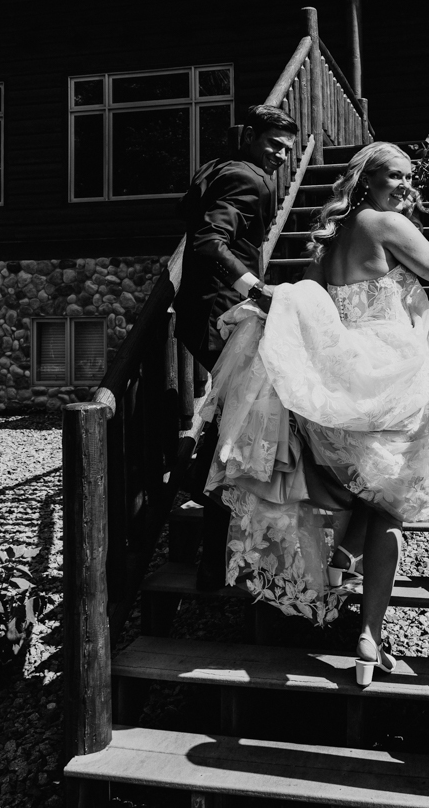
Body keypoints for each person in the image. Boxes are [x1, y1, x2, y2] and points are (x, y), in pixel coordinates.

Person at [201, 142, 429, 683]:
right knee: (392, 505)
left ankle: (347, 554)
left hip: (343, 382)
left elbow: (315, 304)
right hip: (388, 378)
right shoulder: (385, 224)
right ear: (366, 181)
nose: (404, 186)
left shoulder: (329, 241)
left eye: (408, 177)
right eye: (394, 176)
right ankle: (369, 635)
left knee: (370, 493)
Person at [173, 104, 298, 588]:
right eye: (273, 144)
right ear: (249, 136)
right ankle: (207, 511)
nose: (281, 156)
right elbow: (209, 241)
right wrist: (253, 287)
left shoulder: (222, 168)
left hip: (203, 313)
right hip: (220, 318)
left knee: (236, 417)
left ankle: (197, 486)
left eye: (287, 149)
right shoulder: (247, 178)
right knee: (242, 421)